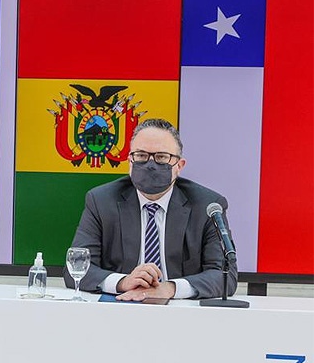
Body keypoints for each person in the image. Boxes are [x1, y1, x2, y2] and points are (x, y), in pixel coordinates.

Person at [67, 118, 237, 301]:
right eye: (141, 155)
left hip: (181, 311)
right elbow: (75, 269)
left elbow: (225, 276)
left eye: (161, 157)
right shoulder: (101, 201)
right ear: (130, 161)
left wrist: (171, 288)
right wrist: (123, 282)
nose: (150, 164)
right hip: (120, 306)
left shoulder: (207, 206)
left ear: (179, 166)